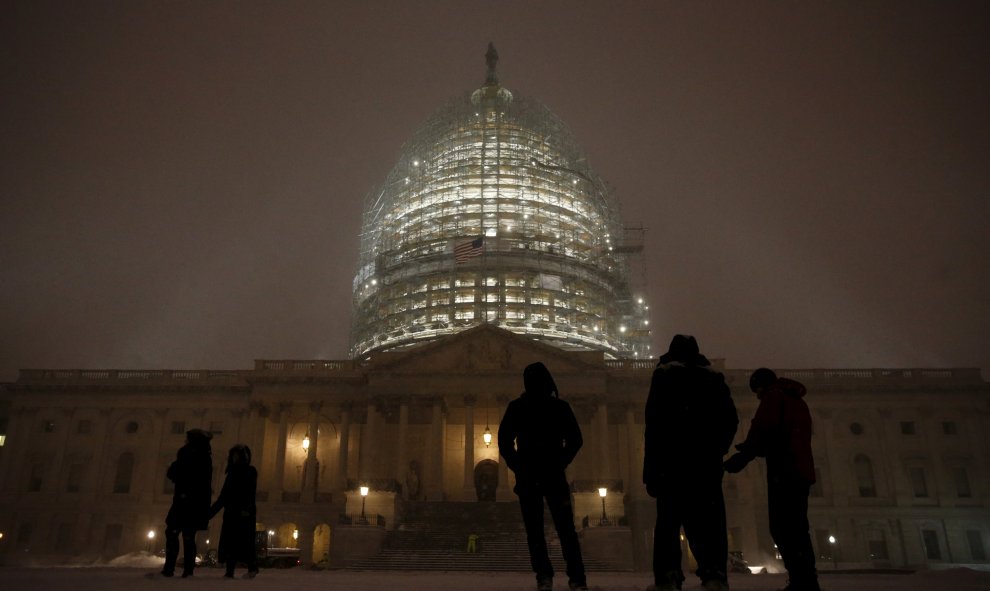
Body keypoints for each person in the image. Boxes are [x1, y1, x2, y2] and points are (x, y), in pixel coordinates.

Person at [643, 335, 738, 591]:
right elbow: (731, 419)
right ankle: (714, 573)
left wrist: (650, 470)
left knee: (669, 523)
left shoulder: (664, 377)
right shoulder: (713, 379)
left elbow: (653, 428)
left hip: (671, 463)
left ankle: (668, 576)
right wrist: (716, 449)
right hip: (704, 463)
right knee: (709, 522)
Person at [724, 368, 820, 591]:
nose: (758, 396)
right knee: (798, 528)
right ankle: (807, 579)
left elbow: (764, 429)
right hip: (802, 471)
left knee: (782, 527)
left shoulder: (773, 398)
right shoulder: (797, 401)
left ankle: (800, 580)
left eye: (757, 391)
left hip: (785, 470)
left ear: (761, 386)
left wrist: (745, 454)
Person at [499, 362, 589, 591]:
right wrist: (560, 460)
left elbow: (504, 442)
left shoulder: (518, 407)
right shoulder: (558, 407)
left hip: (530, 476)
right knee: (565, 529)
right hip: (552, 475)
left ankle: (544, 576)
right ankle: (576, 577)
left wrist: (518, 465)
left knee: (536, 530)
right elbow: (576, 440)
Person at [160, 428, 213, 578]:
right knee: (187, 536)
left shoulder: (188, 454)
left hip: (186, 501)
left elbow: (175, 474)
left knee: (174, 533)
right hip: (192, 502)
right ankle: (186, 569)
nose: (186, 440)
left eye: (188, 438)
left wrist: (176, 470)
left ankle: (171, 567)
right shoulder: (204, 455)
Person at [209, 444, 259, 579]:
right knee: (230, 542)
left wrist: (246, 509)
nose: (234, 458)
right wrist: (211, 512)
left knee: (246, 542)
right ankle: (229, 571)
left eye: (236, 456)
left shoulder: (250, 471)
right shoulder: (231, 473)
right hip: (232, 512)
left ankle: (252, 568)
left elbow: (250, 493)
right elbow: (224, 496)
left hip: (244, 513)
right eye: (233, 456)